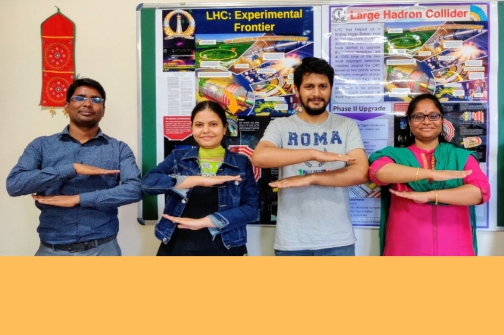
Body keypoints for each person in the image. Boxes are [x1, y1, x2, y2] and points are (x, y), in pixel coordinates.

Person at [6, 77, 141, 256]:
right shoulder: (41, 146)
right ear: (66, 106)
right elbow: (15, 184)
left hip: (103, 249)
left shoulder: (118, 149)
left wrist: (79, 198)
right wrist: (71, 168)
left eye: (96, 99)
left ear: (103, 110)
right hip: (51, 250)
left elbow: (134, 190)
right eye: (79, 98)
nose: (87, 104)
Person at [252, 57, 369, 256]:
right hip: (292, 241)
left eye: (323, 86)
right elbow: (260, 157)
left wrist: (311, 178)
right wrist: (314, 154)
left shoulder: (346, 126)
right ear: (297, 91)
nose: (316, 93)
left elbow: (361, 172)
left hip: (338, 239)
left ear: (331, 88)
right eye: (309, 86)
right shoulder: (281, 126)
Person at [369, 93, 490, 256]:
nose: (426, 121)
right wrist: (430, 173)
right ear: (409, 122)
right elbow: (378, 172)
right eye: (419, 116)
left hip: (454, 249)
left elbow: (480, 192)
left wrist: (431, 195)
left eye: (433, 116)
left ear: (442, 120)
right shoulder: (395, 156)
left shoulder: (460, 157)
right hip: (404, 249)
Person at [141, 101, 258, 256]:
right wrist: (199, 180)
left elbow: (251, 209)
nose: (205, 130)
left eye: (213, 124)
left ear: (224, 128)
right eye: (199, 125)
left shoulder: (241, 162)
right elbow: (147, 184)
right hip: (179, 245)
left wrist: (204, 222)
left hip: (228, 246)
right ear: (192, 128)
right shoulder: (178, 158)